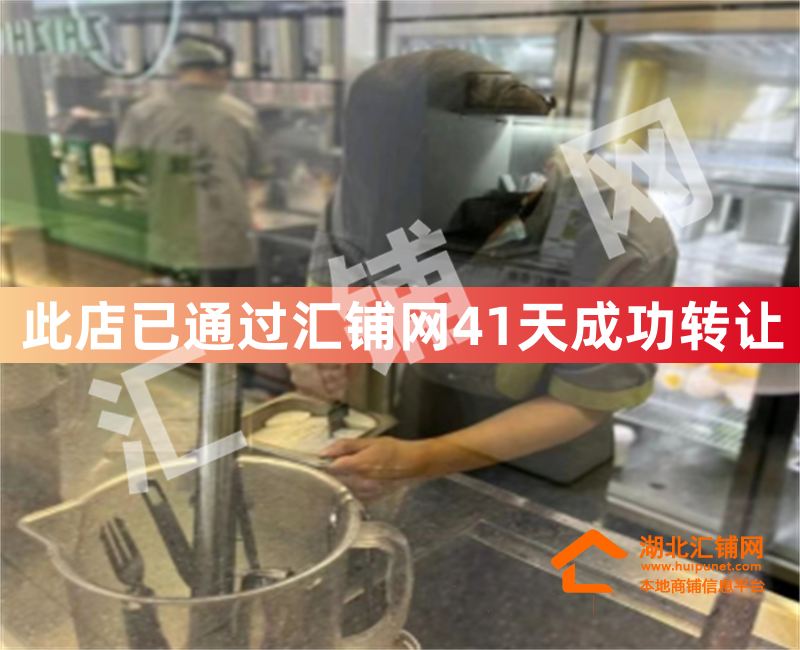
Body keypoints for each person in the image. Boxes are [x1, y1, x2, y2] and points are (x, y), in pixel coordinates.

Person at [291, 50, 678, 500]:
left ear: (538, 173)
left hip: (546, 459)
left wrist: (424, 459)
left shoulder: (622, 236)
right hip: (424, 406)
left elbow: (581, 399)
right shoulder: (373, 190)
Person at [114, 34, 270, 287]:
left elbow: (125, 165)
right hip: (226, 238)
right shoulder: (241, 114)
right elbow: (260, 173)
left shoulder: (144, 113)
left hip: (168, 236)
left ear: (177, 70)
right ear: (221, 71)